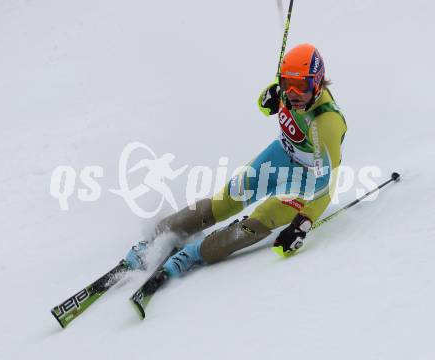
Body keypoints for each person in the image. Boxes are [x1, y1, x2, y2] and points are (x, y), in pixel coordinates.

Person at [126, 43, 347, 280]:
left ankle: (192, 256)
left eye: (301, 86)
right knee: (226, 200)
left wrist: (301, 225)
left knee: (257, 222)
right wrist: (268, 98)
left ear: (317, 82)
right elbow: (263, 105)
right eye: (285, 83)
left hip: (307, 182)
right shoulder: (289, 92)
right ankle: (159, 234)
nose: (292, 93)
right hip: (279, 157)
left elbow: (325, 187)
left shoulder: (327, 124)